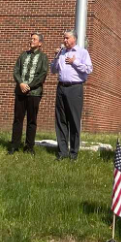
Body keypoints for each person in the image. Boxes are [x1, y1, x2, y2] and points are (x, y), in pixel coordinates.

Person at [51, 29, 93, 161]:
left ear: (74, 39)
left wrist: (75, 62)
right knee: (61, 120)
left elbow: (89, 69)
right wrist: (57, 56)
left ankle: (73, 154)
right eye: (64, 38)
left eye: (67, 38)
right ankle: (62, 152)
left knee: (74, 121)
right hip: (61, 87)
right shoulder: (61, 53)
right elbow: (53, 70)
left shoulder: (82, 52)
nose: (64, 40)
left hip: (75, 88)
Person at [9, 32, 49, 155]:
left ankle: (29, 147)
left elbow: (42, 74)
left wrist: (29, 86)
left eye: (34, 39)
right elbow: (16, 71)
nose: (31, 41)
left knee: (32, 121)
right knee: (18, 119)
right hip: (20, 92)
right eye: (31, 39)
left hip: (34, 93)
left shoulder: (43, 57)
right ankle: (14, 145)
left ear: (40, 43)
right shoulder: (23, 55)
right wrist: (21, 83)